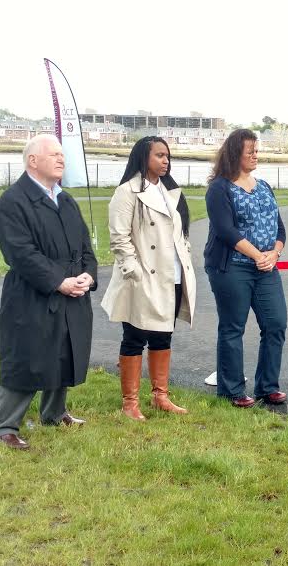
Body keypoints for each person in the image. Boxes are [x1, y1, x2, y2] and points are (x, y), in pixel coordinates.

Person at [0, 135, 97, 450]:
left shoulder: (66, 200)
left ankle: (54, 413)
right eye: (54, 154)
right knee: (27, 356)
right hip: (31, 294)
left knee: (64, 350)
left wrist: (88, 275)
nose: (62, 159)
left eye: (62, 154)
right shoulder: (13, 201)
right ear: (32, 160)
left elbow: (85, 245)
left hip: (72, 292)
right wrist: (59, 281)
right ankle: (3, 427)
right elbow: (20, 253)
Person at [101, 136, 196, 420]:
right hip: (142, 276)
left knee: (163, 335)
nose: (165, 161)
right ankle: (130, 402)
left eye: (167, 156)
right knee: (134, 337)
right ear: (143, 157)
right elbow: (119, 238)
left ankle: (160, 396)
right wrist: (134, 270)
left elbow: (179, 233)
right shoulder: (127, 192)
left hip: (172, 274)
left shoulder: (170, 191)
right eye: (159, 155)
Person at [204, 129, 287, 407]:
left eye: (256, 150)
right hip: (231, 268)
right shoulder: (220, 188)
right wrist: (257, 255)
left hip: (266, 268)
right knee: (232, 328)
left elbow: (279, 228)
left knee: (275, 323)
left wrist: (274, 253)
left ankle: (267, 386)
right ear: (234, 154)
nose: (255, 155)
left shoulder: (264, 187)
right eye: (249, 151)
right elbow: (225, 230)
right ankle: (232, 390)